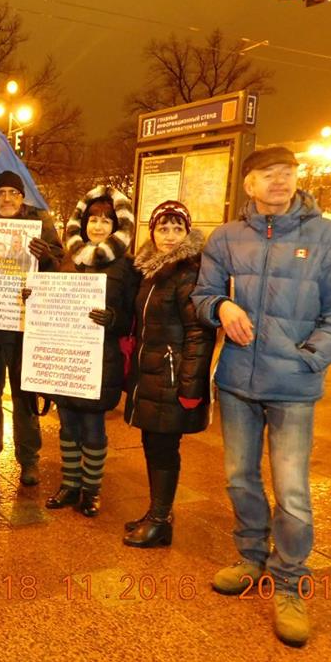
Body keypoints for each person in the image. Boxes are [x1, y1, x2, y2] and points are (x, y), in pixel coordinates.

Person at [192, 146, 331, 647]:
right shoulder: (227, 237)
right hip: (237, 382)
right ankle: (251, 557)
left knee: (291, 490)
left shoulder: (329, 237)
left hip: (293, 386)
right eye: (268, 173)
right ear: (248, 184)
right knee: (239, 478)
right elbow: (201, 295)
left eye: (286, 172)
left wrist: (309, 356)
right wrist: (221, 307)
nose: (279, 180)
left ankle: (289, 581)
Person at [122, 200, 214, 548]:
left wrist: (190, 387)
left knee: (163, 448)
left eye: (178, 228)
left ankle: (160, 522)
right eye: (163, 228)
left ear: (187, 232)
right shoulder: (151, 269)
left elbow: (199, 333)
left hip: (171, 376)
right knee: (153, 443)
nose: (170, 235)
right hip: (152, 372)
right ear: (153, 232)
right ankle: (157, 512)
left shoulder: (187, 272)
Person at [44, 185, 138, 516]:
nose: (98, 226)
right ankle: (70, 484)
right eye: (92, 220)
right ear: (82, 224)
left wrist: (113, 319)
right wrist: (36, 298)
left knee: (93, 428)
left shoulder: (126, 266)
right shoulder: (69, 260)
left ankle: (91, 489)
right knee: (68, 426)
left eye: (106, 221)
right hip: (66, 358)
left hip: (100, 360)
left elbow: (132, 317)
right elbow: (52, 301)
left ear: (117, 226)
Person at [0, 170, 63, 486]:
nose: (7, 198)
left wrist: (46, 257)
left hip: (25, 330)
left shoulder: (39, 223)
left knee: (25, 398)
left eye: (13, 193)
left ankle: (29, 459)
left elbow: (60, 266)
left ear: (22, 197)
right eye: (1, 193)